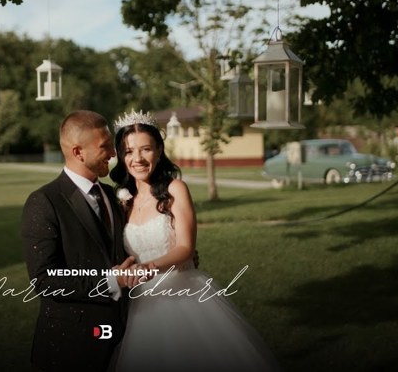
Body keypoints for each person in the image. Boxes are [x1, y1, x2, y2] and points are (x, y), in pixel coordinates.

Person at [110, 110, 281, 372]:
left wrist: (148, 267)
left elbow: (186, 248)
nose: (138, 159)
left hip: (182, 293)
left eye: (146, 149)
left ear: (159, 150)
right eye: (129, 151)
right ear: (121, 156)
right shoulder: (122, 200)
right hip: (140, 302)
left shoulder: (175, 189)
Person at [21, 110, 144, 372]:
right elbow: (44, 280)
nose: (113, 153)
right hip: (71, 346)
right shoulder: (44, 202)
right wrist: (110, 281)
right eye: (105, 146)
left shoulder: (111, 195)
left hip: (120, 337)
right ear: (78, 152)